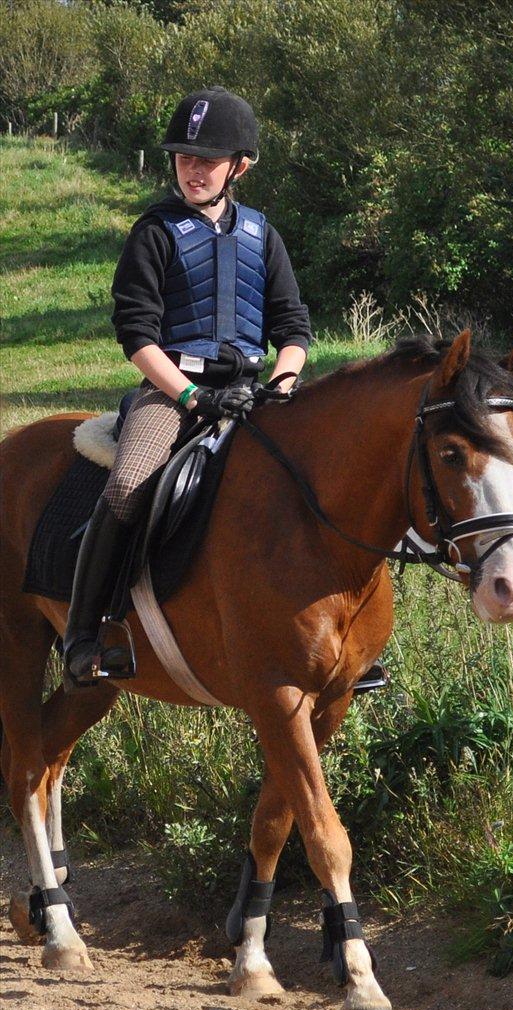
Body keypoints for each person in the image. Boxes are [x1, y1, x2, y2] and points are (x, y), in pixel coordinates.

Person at [62, 86, 311, 688]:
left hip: (255, 390)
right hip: (173, 391)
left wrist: (281, 384)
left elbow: (294, 326)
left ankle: (340, 641)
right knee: (126, 485)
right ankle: (86, 633)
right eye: (184, 157)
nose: (193, 168)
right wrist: (192, 397)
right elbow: (137, 337)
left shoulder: (262, 234)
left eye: (207, 159)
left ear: (239, 167)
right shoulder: (154, 231)